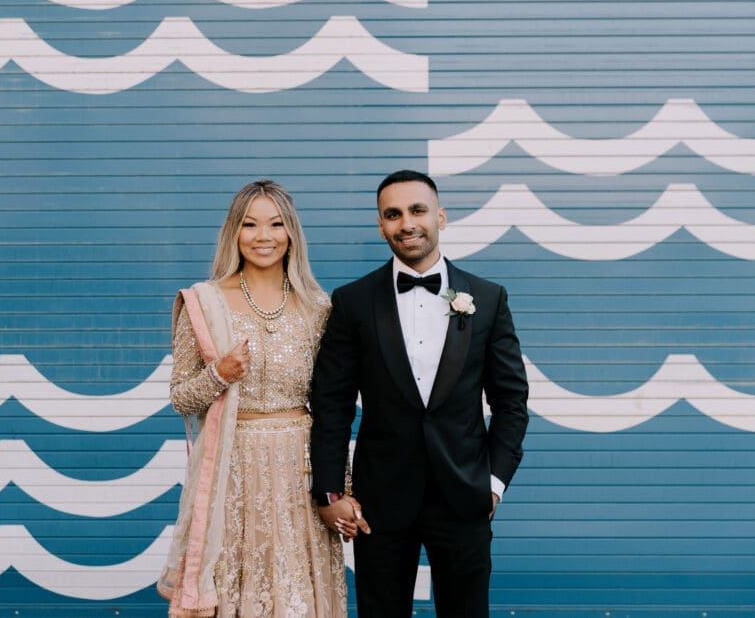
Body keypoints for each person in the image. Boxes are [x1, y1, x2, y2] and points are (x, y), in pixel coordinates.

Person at [310, 169, 530, 617]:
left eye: (417, 210)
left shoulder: (488, 298)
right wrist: (329, 492)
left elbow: (511, 402)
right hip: (380, 500)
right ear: (380, 226)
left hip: (465, 496)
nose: (406, 223)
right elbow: (332, 405)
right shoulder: (352, 301)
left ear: (440, 216)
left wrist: (492, 484)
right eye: (393, 215)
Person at [158, 180, 351, 617]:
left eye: (276, 224)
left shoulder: (317, 307)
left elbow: (332, 409)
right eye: (250, 224)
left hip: (300, 470)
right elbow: (181, 398)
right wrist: (219, 375)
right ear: (234, 232)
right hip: (232, 472)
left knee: (296, 591)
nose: (264, 236)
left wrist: (340, 488)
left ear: (291, 233)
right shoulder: (204, 302)